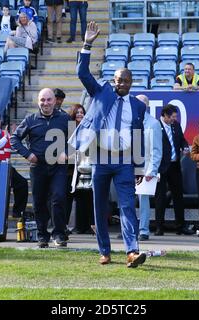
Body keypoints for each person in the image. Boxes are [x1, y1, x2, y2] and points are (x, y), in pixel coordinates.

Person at [68, 21, 147, 268]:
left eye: (124, 81)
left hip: (124, 161)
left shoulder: (138, 106)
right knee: (99, 206)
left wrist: (139, 166)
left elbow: (139, 135)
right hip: (100, 158)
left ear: (131, 82)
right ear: (113, 80)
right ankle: (105, 251)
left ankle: (132, 251)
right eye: (117, 80)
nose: (120, 84)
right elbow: (82, 74)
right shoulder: (101, 92)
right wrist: (87, 43)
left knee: (127, 207)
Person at [11, 88, 70, 248]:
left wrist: (67, 152)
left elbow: (76, 138)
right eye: (42, 100)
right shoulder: (31, 119)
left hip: (58, 167)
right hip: (38, 167)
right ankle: (42, 235)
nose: (46, 103)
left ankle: (59, 234)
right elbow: (14, 139)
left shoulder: (64, 118)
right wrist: (28, 155)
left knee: (58, 198)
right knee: (39, 201)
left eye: (49, 100)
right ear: (38, 101)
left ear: (55, 101)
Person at [155, 104, 194, 236]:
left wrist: (185, 147)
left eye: (175, 116)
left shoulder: (176, 125)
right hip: (160, 166)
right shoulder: (155, 126)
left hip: (174, 165)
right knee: (160, 197)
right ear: (165, 116)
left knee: (178, 196)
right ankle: (159, 226)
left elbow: (182, 140)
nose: (174, 119)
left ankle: (180, 226)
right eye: (172, 116)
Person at [135, 95, 162, 241]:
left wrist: (152, 170)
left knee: (143, 201)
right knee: (127, 200)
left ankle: (143, 230)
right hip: (128, 167)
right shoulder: (130, 121)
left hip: (145, 168)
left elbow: (156, 150)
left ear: (144, 106)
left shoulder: (153, 123)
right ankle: (130, 229)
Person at [68, 104, 95, 234]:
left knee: (89, 197)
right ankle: (78, 226)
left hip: (87, 166)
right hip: (72, 169)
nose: (80, 114)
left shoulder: (89, 128)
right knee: (78, 199)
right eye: (77, 112)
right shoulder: (69, 129)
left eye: (82, 112)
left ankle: (89, 225)